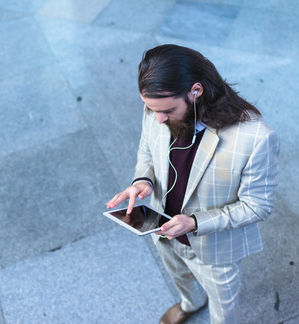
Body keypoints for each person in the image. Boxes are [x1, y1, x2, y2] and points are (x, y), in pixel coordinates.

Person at [106, 44, 280, 324]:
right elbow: (146, 150)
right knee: (179, 274)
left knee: (224, 309)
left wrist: (195, 223)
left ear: (195, 91)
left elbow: (257, 206)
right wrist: (142, 180)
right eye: (152, 110)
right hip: (161, 227)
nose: (158, 119)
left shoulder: (256, 138)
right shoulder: (156, 106)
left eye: (168, 110)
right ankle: (191, 301)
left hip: (214, 246)